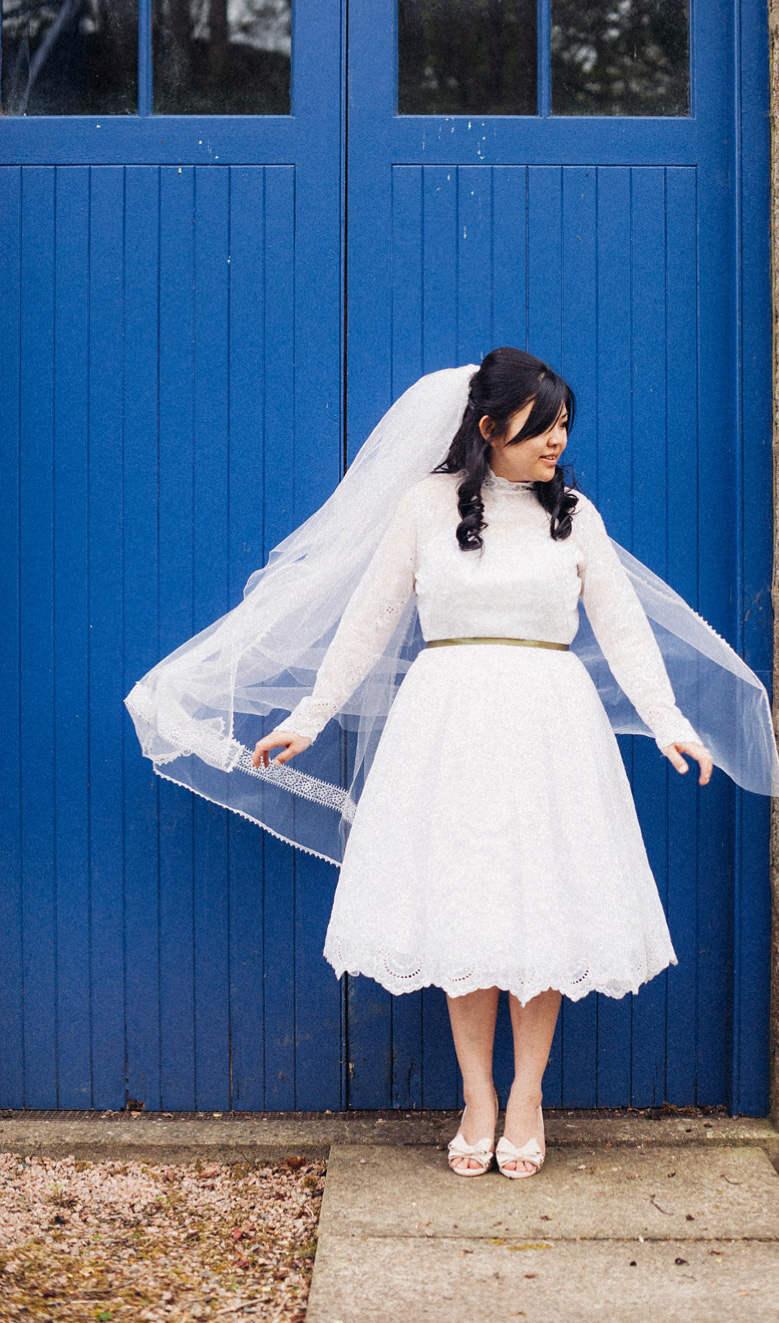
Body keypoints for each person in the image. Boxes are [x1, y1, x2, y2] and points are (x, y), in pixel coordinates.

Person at [249, 347, 714, 1179]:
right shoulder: (426, 507)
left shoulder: (577, 513)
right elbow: (371, 614)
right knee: (467, 907)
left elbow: (623, 626)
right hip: (450, 722)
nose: (558, 441)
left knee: (545, 911)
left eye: (566, 425)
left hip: (550, 725)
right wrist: (310, 714)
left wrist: (670, 720)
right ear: (491, 426)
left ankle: (528, 1093)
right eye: (543, 426)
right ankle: (477, 1097)